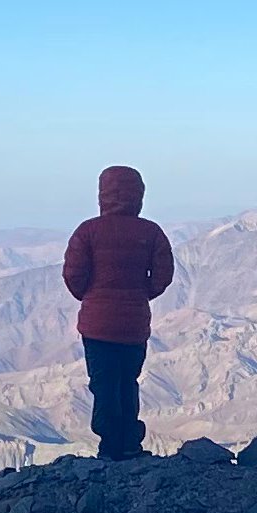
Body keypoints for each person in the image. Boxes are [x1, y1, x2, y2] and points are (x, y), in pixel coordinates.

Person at [61, 163, 174, 460]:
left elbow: (73, 275)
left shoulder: (88, 232)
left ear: (102, 194)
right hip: (134, 326)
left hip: (97, 328)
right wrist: (140, 294)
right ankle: (129, 443)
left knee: (104, 384)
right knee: (127, 382)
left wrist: (91, 298)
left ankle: (109, 445)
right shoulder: (151, 232)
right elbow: (163, 275)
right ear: (139, 195)